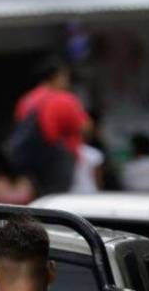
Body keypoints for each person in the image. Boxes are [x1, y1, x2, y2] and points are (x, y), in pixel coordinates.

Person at [9, 56, 93, 197]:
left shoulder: (26, 100)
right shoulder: (62, 99)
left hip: (32, 166)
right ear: (56, 76)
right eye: (65, 76)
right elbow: (85, 128)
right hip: (59, 165)